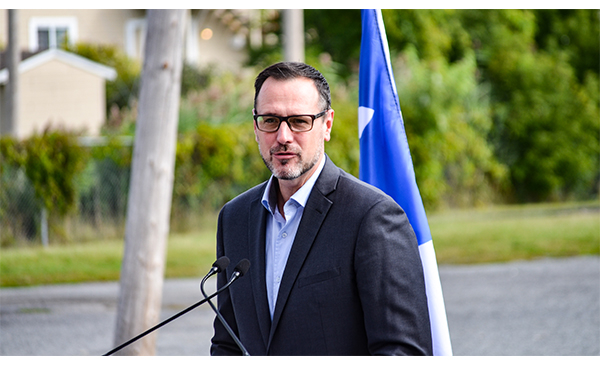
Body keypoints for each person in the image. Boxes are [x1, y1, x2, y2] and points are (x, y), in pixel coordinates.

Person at [210, 61, 432, 356]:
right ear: (255, 126)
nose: (283, 137)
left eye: (299, 121)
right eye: (270, 120)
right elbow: (228, 344)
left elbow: (404, 352)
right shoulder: (233, 218)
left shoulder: (372, 216)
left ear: (326, 125)